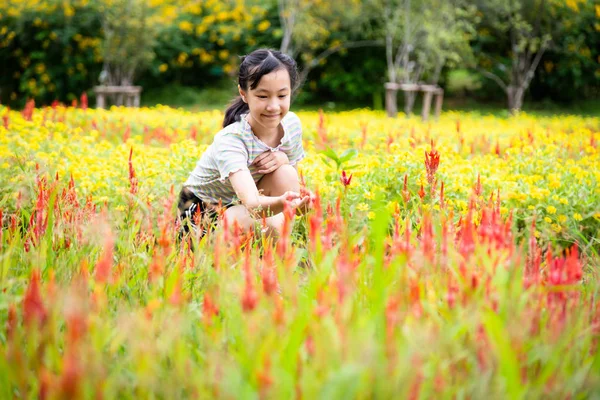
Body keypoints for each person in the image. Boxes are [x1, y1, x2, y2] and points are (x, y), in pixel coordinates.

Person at [178, 49, 313, 241]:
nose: (274, 106)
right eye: (263, 96)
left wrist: (301, 202)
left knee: (286, 172)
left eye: (282, 96)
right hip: (203, 213)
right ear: (244, 94)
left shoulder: (291, 124)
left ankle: (272, 257)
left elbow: (290, 182)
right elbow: (252, 203)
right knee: (273, 222)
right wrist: (285, 204)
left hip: (243, 208)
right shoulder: (232, 139)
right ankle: (254, 257)